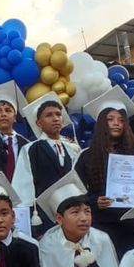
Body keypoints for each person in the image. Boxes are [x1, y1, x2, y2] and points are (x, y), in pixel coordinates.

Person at [75, 86, 134, 254]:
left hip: (131, 222)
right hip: (102, 223)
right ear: (101, 123)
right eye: (110, 119)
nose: (116, 123)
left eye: (121, 120)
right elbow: (78, 191)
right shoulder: (87, 156)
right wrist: (95, 201)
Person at [12, 92, 80, 233]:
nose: (55, 119)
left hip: (72, 212)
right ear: (38, 123)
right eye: (49, 115)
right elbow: (23, 186)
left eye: (58, 114)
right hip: (44, 214)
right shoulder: (31, 149)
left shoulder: (72, 148)